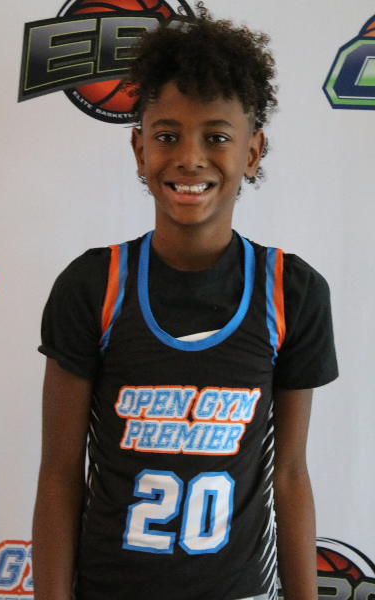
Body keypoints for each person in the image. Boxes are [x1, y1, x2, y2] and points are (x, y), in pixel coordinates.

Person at [32, 6, 338, 600]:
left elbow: (290, 475)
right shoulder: (93, 285)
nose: (190, 158)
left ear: (252, 152)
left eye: (217, 137)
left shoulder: (292, 292)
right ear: (139, 147)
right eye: (167, 136)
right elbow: (60, 473)